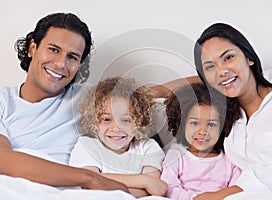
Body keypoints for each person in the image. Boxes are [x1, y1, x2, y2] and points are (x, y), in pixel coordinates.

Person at [0, 12, 128, 192]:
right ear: (32, 48)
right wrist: (89, 178)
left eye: (72, 57)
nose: (61, 64)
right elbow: (3, 160)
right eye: (53, 49)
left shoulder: (90, 99)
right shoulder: (3, 101)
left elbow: (156, 94)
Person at [193, 22, 272, 199]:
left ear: (249, 58)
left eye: (228, 58)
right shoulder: (228, 121)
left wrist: (223, 194)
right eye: (210, 67)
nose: (221, 71)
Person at [69, 77, 167, 198]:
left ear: (139, 121)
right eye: (107, 119)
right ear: (94, 120)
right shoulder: (87, 145)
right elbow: (88, 180)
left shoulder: (148, 147)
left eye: (126, 120)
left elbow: (154, 188)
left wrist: (103, 183)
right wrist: (143, 180)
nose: (116, 128)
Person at [160, 83, 241, 200]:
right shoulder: (175, 155)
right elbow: (169, 187)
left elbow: (237, 190)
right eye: (194, 123)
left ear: (223, 127)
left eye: (211, 124)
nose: (202, 131)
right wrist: (195, 198)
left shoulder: (231, 160)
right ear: (182, 124)